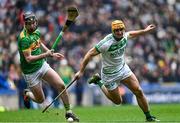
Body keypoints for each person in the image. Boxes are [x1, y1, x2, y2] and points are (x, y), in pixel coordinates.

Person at [74, 20, 159, 122]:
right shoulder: (106, 43)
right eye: (116, 30)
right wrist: (81, 71)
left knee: (139, 91)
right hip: (109, 75)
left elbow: (131, 33)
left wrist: (144, 31)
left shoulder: (124, 36)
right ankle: (99, 82)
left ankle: (149, 117)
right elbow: (89, 53)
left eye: (121, 30)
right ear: (112, 31)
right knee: (118, 101)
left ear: (123, 29)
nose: (119, 32)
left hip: (123, 69)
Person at [17, 11, 79, 122]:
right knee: (40, 100)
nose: (32, 26)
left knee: (61, 85)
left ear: (36, 22)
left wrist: (50, 52)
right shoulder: (24, 39)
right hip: (30, 72)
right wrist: (46, 55)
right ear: (25, 24)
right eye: (29, 24)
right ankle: (27, 94)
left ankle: (69, 112)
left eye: (33, 23)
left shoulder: (36, 31)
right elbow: (28, 59)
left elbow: (39, 43)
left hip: (42, 65)